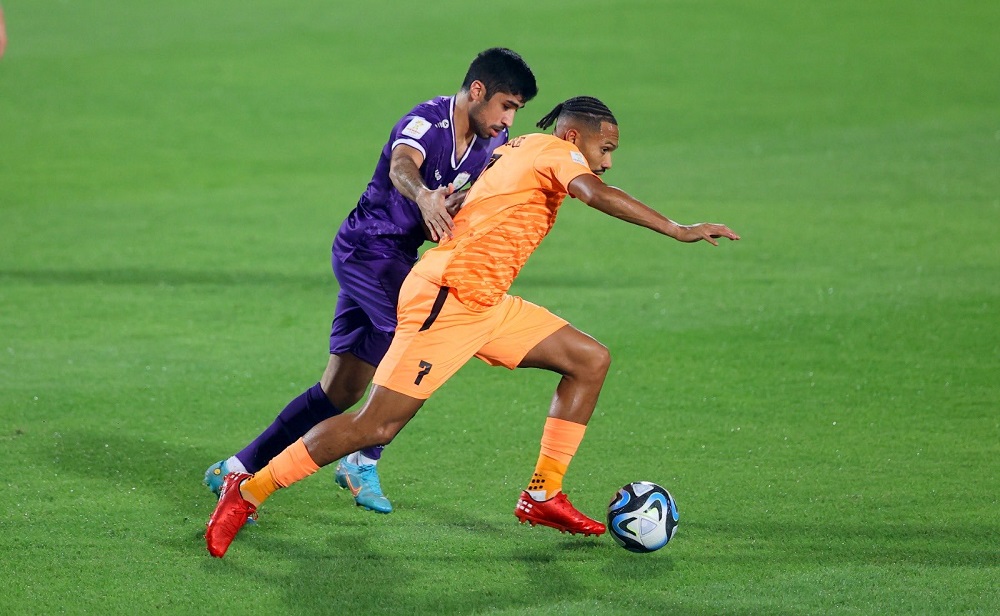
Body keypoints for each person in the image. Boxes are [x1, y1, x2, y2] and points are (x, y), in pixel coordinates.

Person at [205, 96, 740, 557]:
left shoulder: (519, 146)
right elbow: (594, 195)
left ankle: (542, 494)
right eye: (606, 150)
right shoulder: (556, 152)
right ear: (576, 137)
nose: (607, 163)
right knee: (373, 426)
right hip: (449, 299)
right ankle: (247, 491)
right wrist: (678, 229)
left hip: (486, 302)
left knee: (589, 360)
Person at [203, 48, 538, 514]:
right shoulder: (427, 121)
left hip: (395, 259)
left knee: (339, 392)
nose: (508, 119)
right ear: (478, 90)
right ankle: (363, 458)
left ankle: (236, 466)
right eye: (507, 105)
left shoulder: (484, 147)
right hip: (366, 250)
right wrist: (423, 196)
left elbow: (460, 201)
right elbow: (403, 165)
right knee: (420, 334)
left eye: (516, 110)